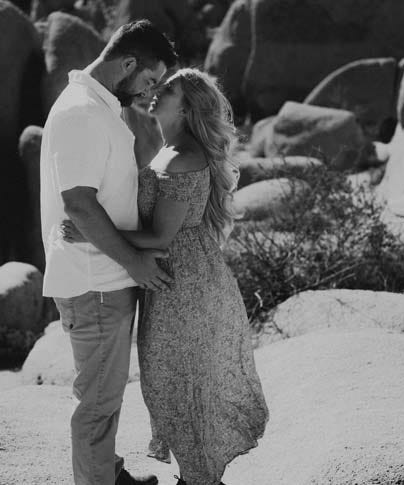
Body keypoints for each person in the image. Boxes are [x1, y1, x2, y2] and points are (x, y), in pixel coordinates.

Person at [62, 69, 269, 485]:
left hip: (185, 287)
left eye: (168, 88)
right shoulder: (169, 149)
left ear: (187, 106)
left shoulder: (184, 156)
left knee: (179, 384)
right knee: (169, 384)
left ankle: (198, 479)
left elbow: (159, 235)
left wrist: (92, 231)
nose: (156, 91)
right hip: (172, 281)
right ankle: (195, 476)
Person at [39, 20, 179, 485]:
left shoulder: (100, 107)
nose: (150, 93)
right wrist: (135, 260)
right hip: (94, 281)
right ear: (128, 63)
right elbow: (78, 204)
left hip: (103, 276)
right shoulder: (82, 112)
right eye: (150, 80)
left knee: (107, 395)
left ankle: (109, 474)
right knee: (97, 404)